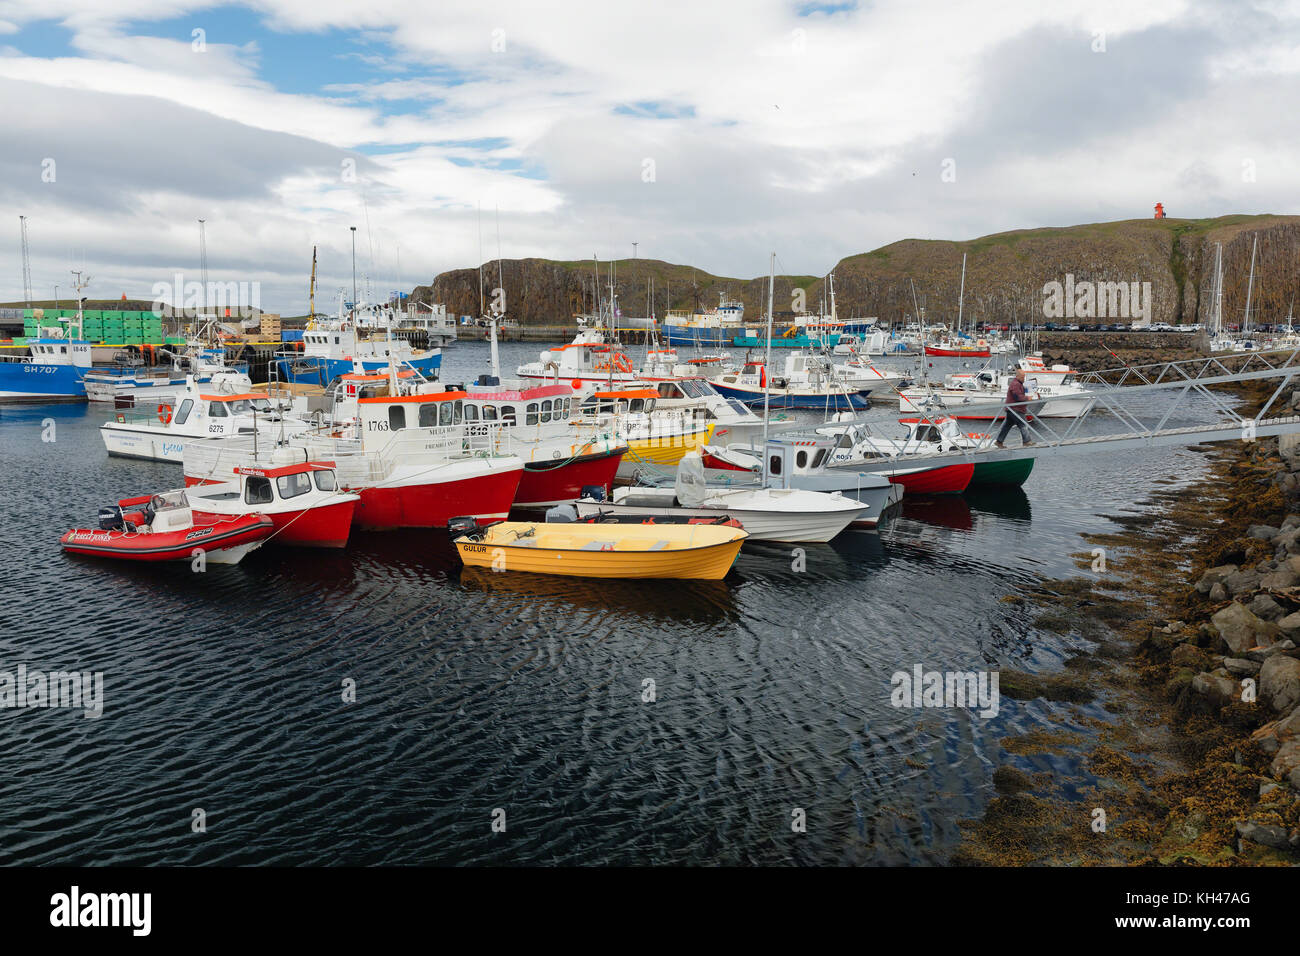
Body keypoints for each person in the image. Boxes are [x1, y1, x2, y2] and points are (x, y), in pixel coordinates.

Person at [995, 369, 1034, 447]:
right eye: (1022, 377)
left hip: (1012, 408)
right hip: (1015, 409)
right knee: (1023, 424)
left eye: (1024, 377)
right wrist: (1027, 398)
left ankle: (999, 441)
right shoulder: (1016, 384)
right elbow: (1017, 397)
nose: (1024, 379)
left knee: (1007, 426)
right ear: (1017, 376)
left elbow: (1019, 395)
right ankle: (1027, 441)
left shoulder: (1018, 383)